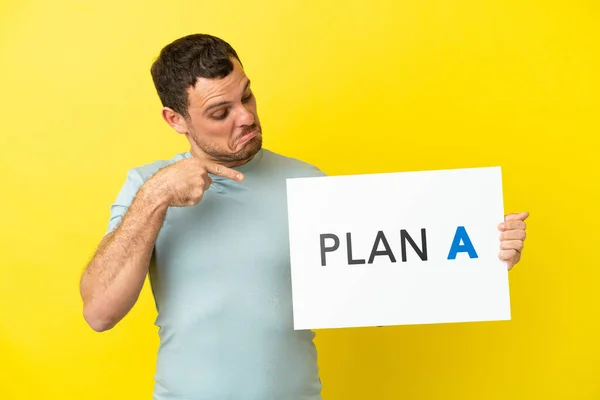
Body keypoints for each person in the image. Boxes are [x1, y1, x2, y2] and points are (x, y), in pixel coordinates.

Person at [79, 33, 530, 399]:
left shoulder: (310, 184)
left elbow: (378, 289)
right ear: (175, 120)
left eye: (248, 96)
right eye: (221, 112)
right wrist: (156, 196)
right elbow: (99, 312)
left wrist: (481, 262)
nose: (246, 117)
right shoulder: (147, 187)